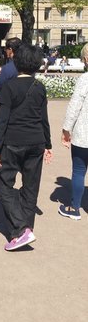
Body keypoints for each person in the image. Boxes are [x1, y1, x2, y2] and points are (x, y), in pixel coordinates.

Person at [0, 44, 52, 251]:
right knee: (30, 186)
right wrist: (48, 144)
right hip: (36, 141)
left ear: (16, 62)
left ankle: (20, 229)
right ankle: (26, 227)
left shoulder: (9, 87)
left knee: (3, 184)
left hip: (13, 141)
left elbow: (2, 121)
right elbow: (44, 119)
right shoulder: (39, 87)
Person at [59, 43, 88, 220]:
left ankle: (74, 208)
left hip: (84, 134)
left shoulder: (85, 79)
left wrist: (66, 129)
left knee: (78, 170)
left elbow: (75, 107)